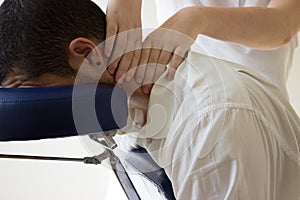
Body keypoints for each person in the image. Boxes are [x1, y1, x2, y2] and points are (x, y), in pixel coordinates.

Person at [0, 0, 299, 199]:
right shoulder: (128, 125)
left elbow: (283, 25)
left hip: (234, 99)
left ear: (86, 53)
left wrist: (194, 18)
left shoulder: (210, 125)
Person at [105, 0, 300, 199]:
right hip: (168, 109)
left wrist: (196, 19)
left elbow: (284, 24)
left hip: (244, 120)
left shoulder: (225, 112)